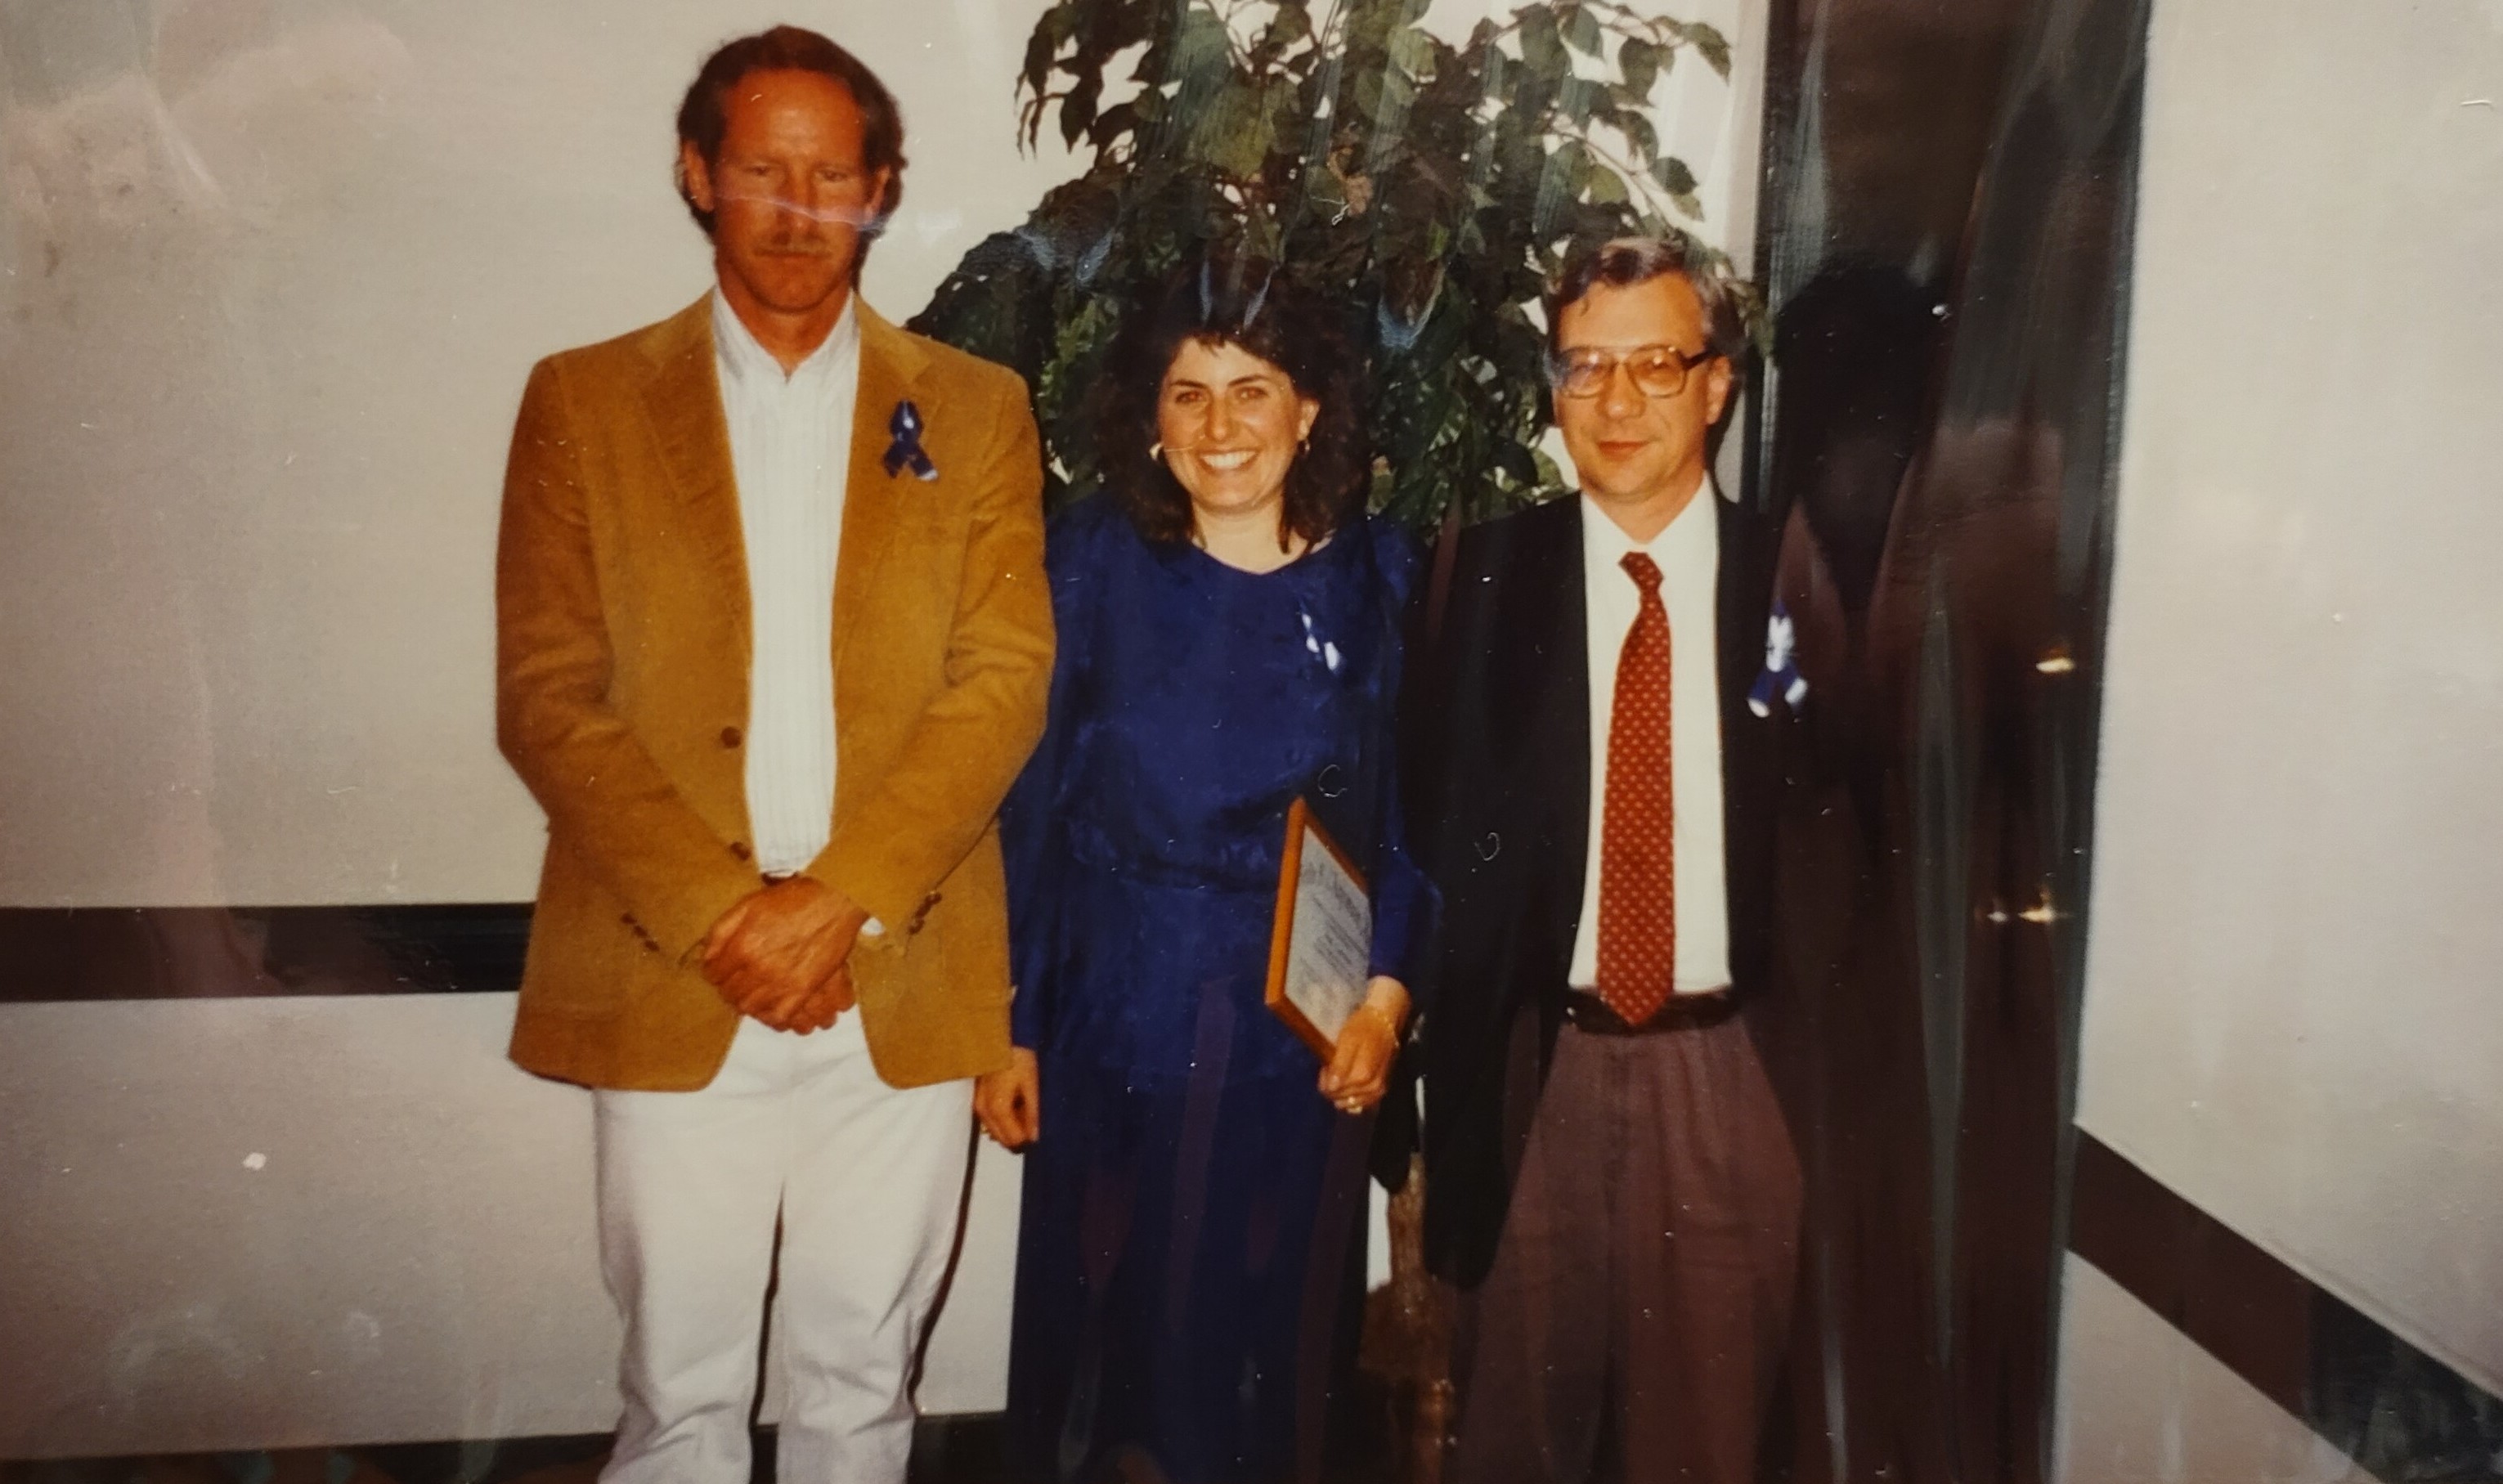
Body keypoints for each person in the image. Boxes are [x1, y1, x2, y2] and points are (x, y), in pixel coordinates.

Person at [491, 29, 1051, 1484]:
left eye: (832, 175)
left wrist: (838, 901)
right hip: (675, 966)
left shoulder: (978, 410)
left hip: (901, 966)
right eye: (761, 171)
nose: (799, 208)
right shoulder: (584, 402)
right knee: (677, 1393)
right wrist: (727, 919)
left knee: (862, 1384)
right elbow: (548, 697)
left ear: (878, 191)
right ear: (698, 176)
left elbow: (1001, 685)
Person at [976, 256, 1433, 1484]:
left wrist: (1386, 1000)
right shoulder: (1089, 560)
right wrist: (1008, 1025)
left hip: (1295, 1038)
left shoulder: (1385, 577)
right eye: (1188, 394)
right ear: (1150, 416)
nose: (1220, 426)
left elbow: (1415, 818)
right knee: (1105, 1348)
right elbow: (1029, 804)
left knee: (1265, 1349)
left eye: (1252, 390)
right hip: (1109, 1021)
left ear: (1310, 410)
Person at [1402, 236, 1802, 1484]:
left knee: (1711, 1443)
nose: (1618, 404)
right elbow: (1417, 838)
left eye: (1655, 365)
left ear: (1717, 382)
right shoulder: (1472, 580)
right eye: (1585, 369)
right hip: (1535, 1074)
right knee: (1513, 1442)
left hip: (1734, 1079)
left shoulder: (1799, 581)